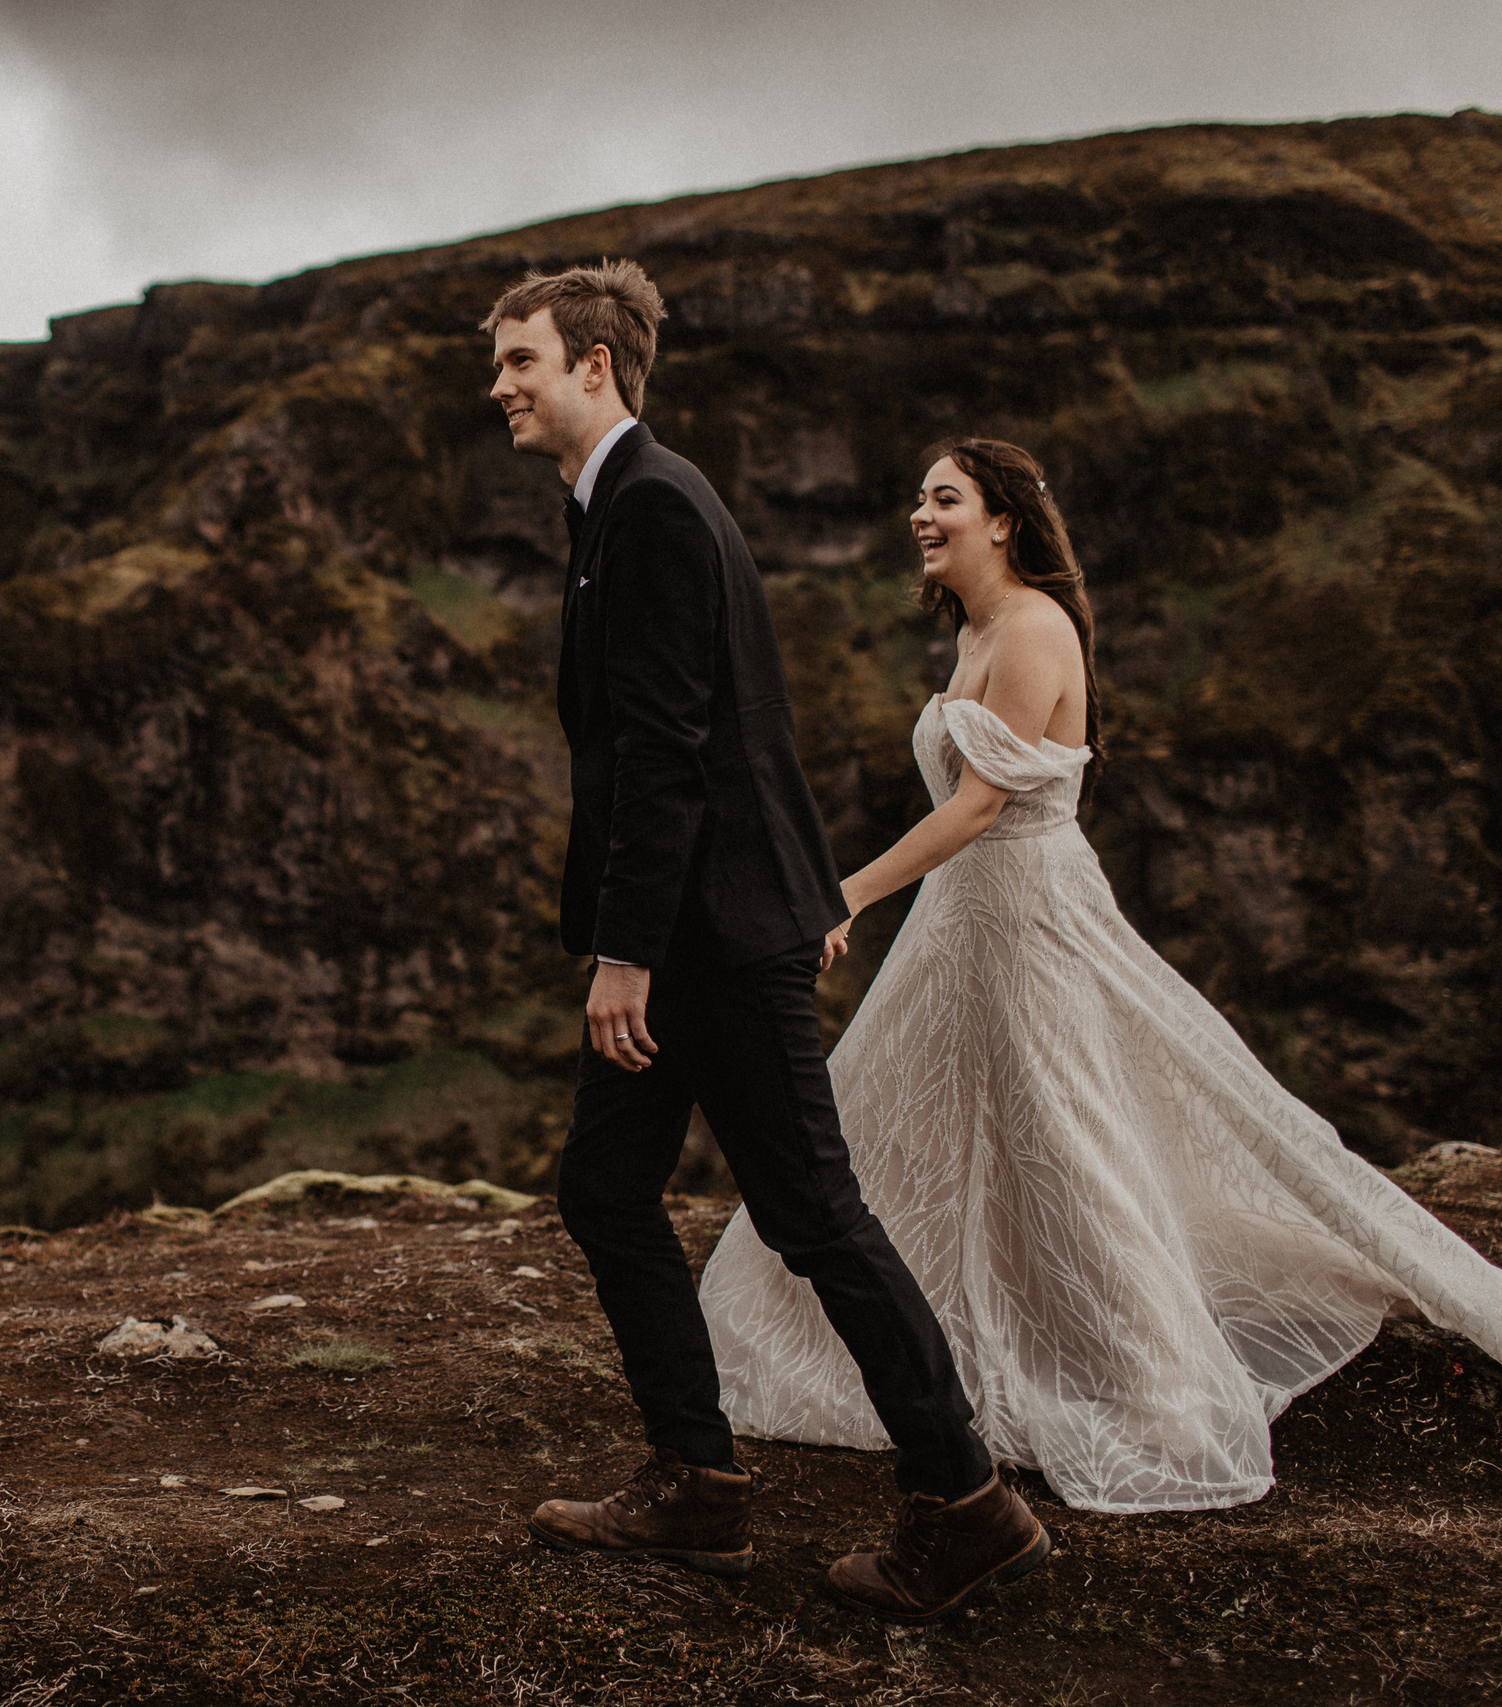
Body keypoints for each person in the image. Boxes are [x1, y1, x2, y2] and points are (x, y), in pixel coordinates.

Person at [699, 437, 1502, 1515]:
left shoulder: (1035, 628)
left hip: (1028, 915)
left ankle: (1149, 1381)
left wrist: (841, 893)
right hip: (966, 920)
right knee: (933, 1122)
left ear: (1001, 520)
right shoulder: (980, 630)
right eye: (917, 498)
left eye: (941, 498)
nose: (919, 515)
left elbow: (981, 807)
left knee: (1060, 1130)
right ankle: (937, 1344)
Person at [484, 262, 1053, 1625]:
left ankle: (967, 1501)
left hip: (717, 936)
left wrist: (623, 953)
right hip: (689, 926)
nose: (499, 385)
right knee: (608, 1189)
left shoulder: (658, 508)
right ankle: (694, 1478)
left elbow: (672, 751)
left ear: (599, 366)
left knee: (813, 1214)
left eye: (520, 360)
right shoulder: (612, 506)